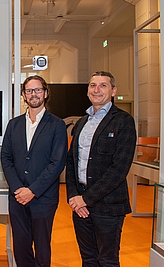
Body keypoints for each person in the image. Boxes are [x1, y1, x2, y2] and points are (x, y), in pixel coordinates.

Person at [66, 71, 137, 266]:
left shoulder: (124, 121)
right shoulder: (81, 123)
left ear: (113, 91)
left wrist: (86, 199)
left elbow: (119, 169)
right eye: (92, 85)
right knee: (88, 259)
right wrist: (74, 197)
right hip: (80, 205)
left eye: (103, 85)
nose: (96, 90)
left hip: (108, 206)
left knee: (107, 260)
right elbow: (71, 161)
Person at [0, 75, 68, 267]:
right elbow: (6, 158)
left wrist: (33, 190)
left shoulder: (57, 125)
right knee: (21, 248)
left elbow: (57, 162)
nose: (34, 94)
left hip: (43, 198)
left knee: (42, 249)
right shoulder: (13, 125)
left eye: (38, 90)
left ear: (46, 93)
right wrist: (18, 188)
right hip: (17, 198)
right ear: (23, 95)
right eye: (29, 90)